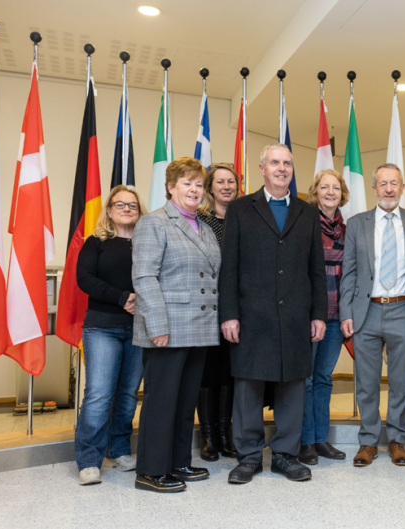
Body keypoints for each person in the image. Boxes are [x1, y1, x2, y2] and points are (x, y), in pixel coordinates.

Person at [219, 143, 327, 484]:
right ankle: (249, 457)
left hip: (296, 315)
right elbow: (229, 267)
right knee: (249, 387)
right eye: (275, 163)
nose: (282, 168)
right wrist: (229, 314)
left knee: (292, 387)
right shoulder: (239, 209)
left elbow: (317, 270)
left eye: (288, 163)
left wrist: (319, 314)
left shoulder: (307, 212)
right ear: (262, 168)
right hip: (251, 316)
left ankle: (284, 454)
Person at [132, 157, 222, 493]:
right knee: (161, 400)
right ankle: (151, 471)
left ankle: (178, 461)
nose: (194, 189)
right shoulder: (154, 223)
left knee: (185, 401)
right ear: (171, 187)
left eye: (199, 184)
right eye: (187, 183)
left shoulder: (205, 226)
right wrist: (156, 324)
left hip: (199, 327)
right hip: (166, 327)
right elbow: (144, 276)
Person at [340, 163, 405, 467]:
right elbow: (348, 272)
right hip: (367, 311)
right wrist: (345, 313)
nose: (389, 189)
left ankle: (397, 439)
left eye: (394, 183)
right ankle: (368, 442)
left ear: (402, 188)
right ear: (374, 188)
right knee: (366, 381)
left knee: (400, 381)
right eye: (383, 184)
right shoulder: (356, 224)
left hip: (404, 310)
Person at [75, 185, 146, 486]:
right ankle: (89, 460)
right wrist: (123, 298)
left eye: (133, 205)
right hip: (102, 326)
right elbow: (84, 278)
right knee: (99, 394)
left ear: (140, 211)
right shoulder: (96, 242)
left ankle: (118, 449)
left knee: (129, 394)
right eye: (120, 204)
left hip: (139, 328)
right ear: (109, 209)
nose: (127, 208)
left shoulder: (148, 243)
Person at [298, 169, 350, 465]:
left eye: (336, 188)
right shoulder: (304, 223)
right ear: (315, 191)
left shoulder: (348, 229)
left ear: (343, 193)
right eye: (324, 187)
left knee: (323, 378)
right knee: (304, 379)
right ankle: (304, 441)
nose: (330, 192)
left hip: (337, 315)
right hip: (310, 314)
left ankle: (321, 439)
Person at [196, 163, 239, 461]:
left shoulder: (245, 218)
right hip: (205, 307)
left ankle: (226, 434)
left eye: (231, 182)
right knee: (207, 373)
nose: (226, 186)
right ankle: (209, 436)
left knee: (230, 372)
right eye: (220, 182)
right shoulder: (198, 220)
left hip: (236, 306)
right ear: (209, 187)